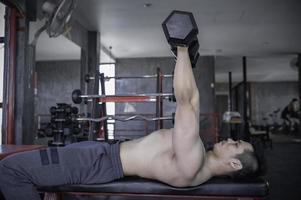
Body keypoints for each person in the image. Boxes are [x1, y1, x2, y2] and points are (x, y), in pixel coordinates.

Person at [0, 47, 262, 200]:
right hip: (101, 154)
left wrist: (181, 48)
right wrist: (184, 58)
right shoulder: (197, 156)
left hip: (97, 161)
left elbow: (187, 102)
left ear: (235, 163)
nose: (230, 139)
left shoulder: (193, 161)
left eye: (235, 144)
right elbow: (190, 102)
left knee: (10, 169)